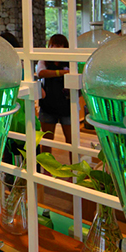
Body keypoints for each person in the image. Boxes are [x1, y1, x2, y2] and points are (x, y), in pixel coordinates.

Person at [36, 34, 72, 162]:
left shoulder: (71, 60)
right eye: (52, 45)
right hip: (48, 106)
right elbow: (41, 72)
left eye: (58, 45)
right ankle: (47, 169)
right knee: (47, 141)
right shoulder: (44, 60)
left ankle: (75, 170)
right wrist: (62, 73)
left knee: (72, 142)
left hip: (68, 106)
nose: (55, 48)